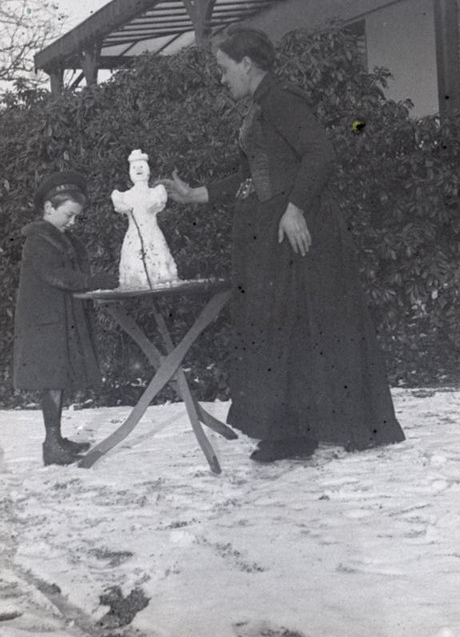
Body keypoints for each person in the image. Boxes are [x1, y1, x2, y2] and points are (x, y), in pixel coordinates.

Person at [161, 26, 405, 462]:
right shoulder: (259, 107)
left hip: (299, 234)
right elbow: (251, 174)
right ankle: (289, 432)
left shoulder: (282, 100)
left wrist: (295, 208)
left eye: (223, 68)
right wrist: (195, 194)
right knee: (279, 331)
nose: (221, 78)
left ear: (247, 64)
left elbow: (321, 153)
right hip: (272, 235)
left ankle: (324, 428)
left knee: (306, 328)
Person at [13, 170, 116, 466]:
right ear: (48, 208)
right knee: (51, 380)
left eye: (76, 217)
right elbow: (55, 276)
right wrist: (95, 281)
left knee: (58, 379)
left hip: (58, 319)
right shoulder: (38, 240)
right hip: (44, 323)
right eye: (69, 215)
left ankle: (55, 440)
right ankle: (51, 443)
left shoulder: (58, 238)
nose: (73, 222)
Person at [111, 149, 179, 289]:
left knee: (157, 254)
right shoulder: (125, 195)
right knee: (135, 258)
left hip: (152, 232)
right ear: (130, 172)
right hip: (134, 234)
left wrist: (154, 204)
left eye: (141, 166)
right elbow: (119, 205)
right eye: (134, 167)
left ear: (148, 170)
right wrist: (124, 207)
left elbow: (157, 204)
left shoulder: (155, 192)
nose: (138, 169)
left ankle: (161, 277)